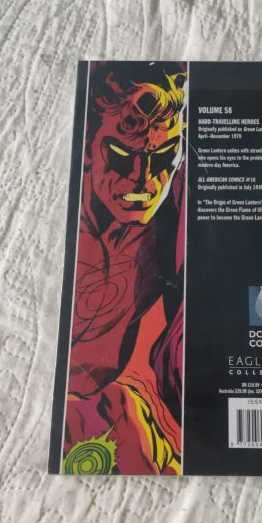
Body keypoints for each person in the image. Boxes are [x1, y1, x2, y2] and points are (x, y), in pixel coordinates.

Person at [63, 61, 187, 475]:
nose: (143, 178)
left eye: (164, 157)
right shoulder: (65, 221)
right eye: (121, 156)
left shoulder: (173, 219)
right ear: (87, 148)